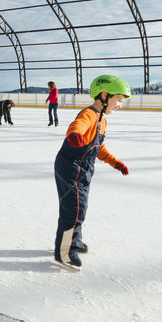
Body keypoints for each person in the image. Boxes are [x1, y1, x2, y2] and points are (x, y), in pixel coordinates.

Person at [53, 75, 131, 271]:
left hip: (83, 168)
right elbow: (76, 126)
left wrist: (116, 163)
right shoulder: (89, 114)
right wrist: (74, 135)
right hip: (70, 166)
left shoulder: (102, 120)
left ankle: (74, 241)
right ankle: (64, 253)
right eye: (119, 100)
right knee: (73, 210)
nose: (120, 105)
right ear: (104, 95)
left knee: (80, 208)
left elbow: (98, 148)